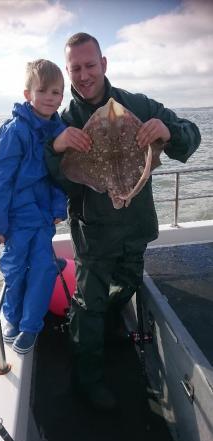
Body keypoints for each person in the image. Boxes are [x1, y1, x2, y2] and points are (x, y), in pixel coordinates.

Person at [45, 33, 201, 410]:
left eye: (90, 65)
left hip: (136, 228)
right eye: (76, 69)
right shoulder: (62, 124)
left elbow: (191, 137)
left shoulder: (138, 105)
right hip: (94, 239)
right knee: (90, 305)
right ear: (68, 73)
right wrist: (56, 149)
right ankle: (89, 382)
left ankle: (108, 335)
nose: (84, 75)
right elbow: (51, 178)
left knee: (125, 289)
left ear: (104, 63)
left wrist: (168, 132)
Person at [0, 59, 72, 354]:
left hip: (44, 217)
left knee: (44, 269)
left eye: (57, 92)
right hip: (16, 218)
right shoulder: (14, 131)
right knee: (14, 269)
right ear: (27, 94)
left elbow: (61, 174)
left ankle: (31, 326)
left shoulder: (59, 131)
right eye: (43, 90)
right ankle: (12, 318)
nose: (51, 97)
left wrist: (59, 207)